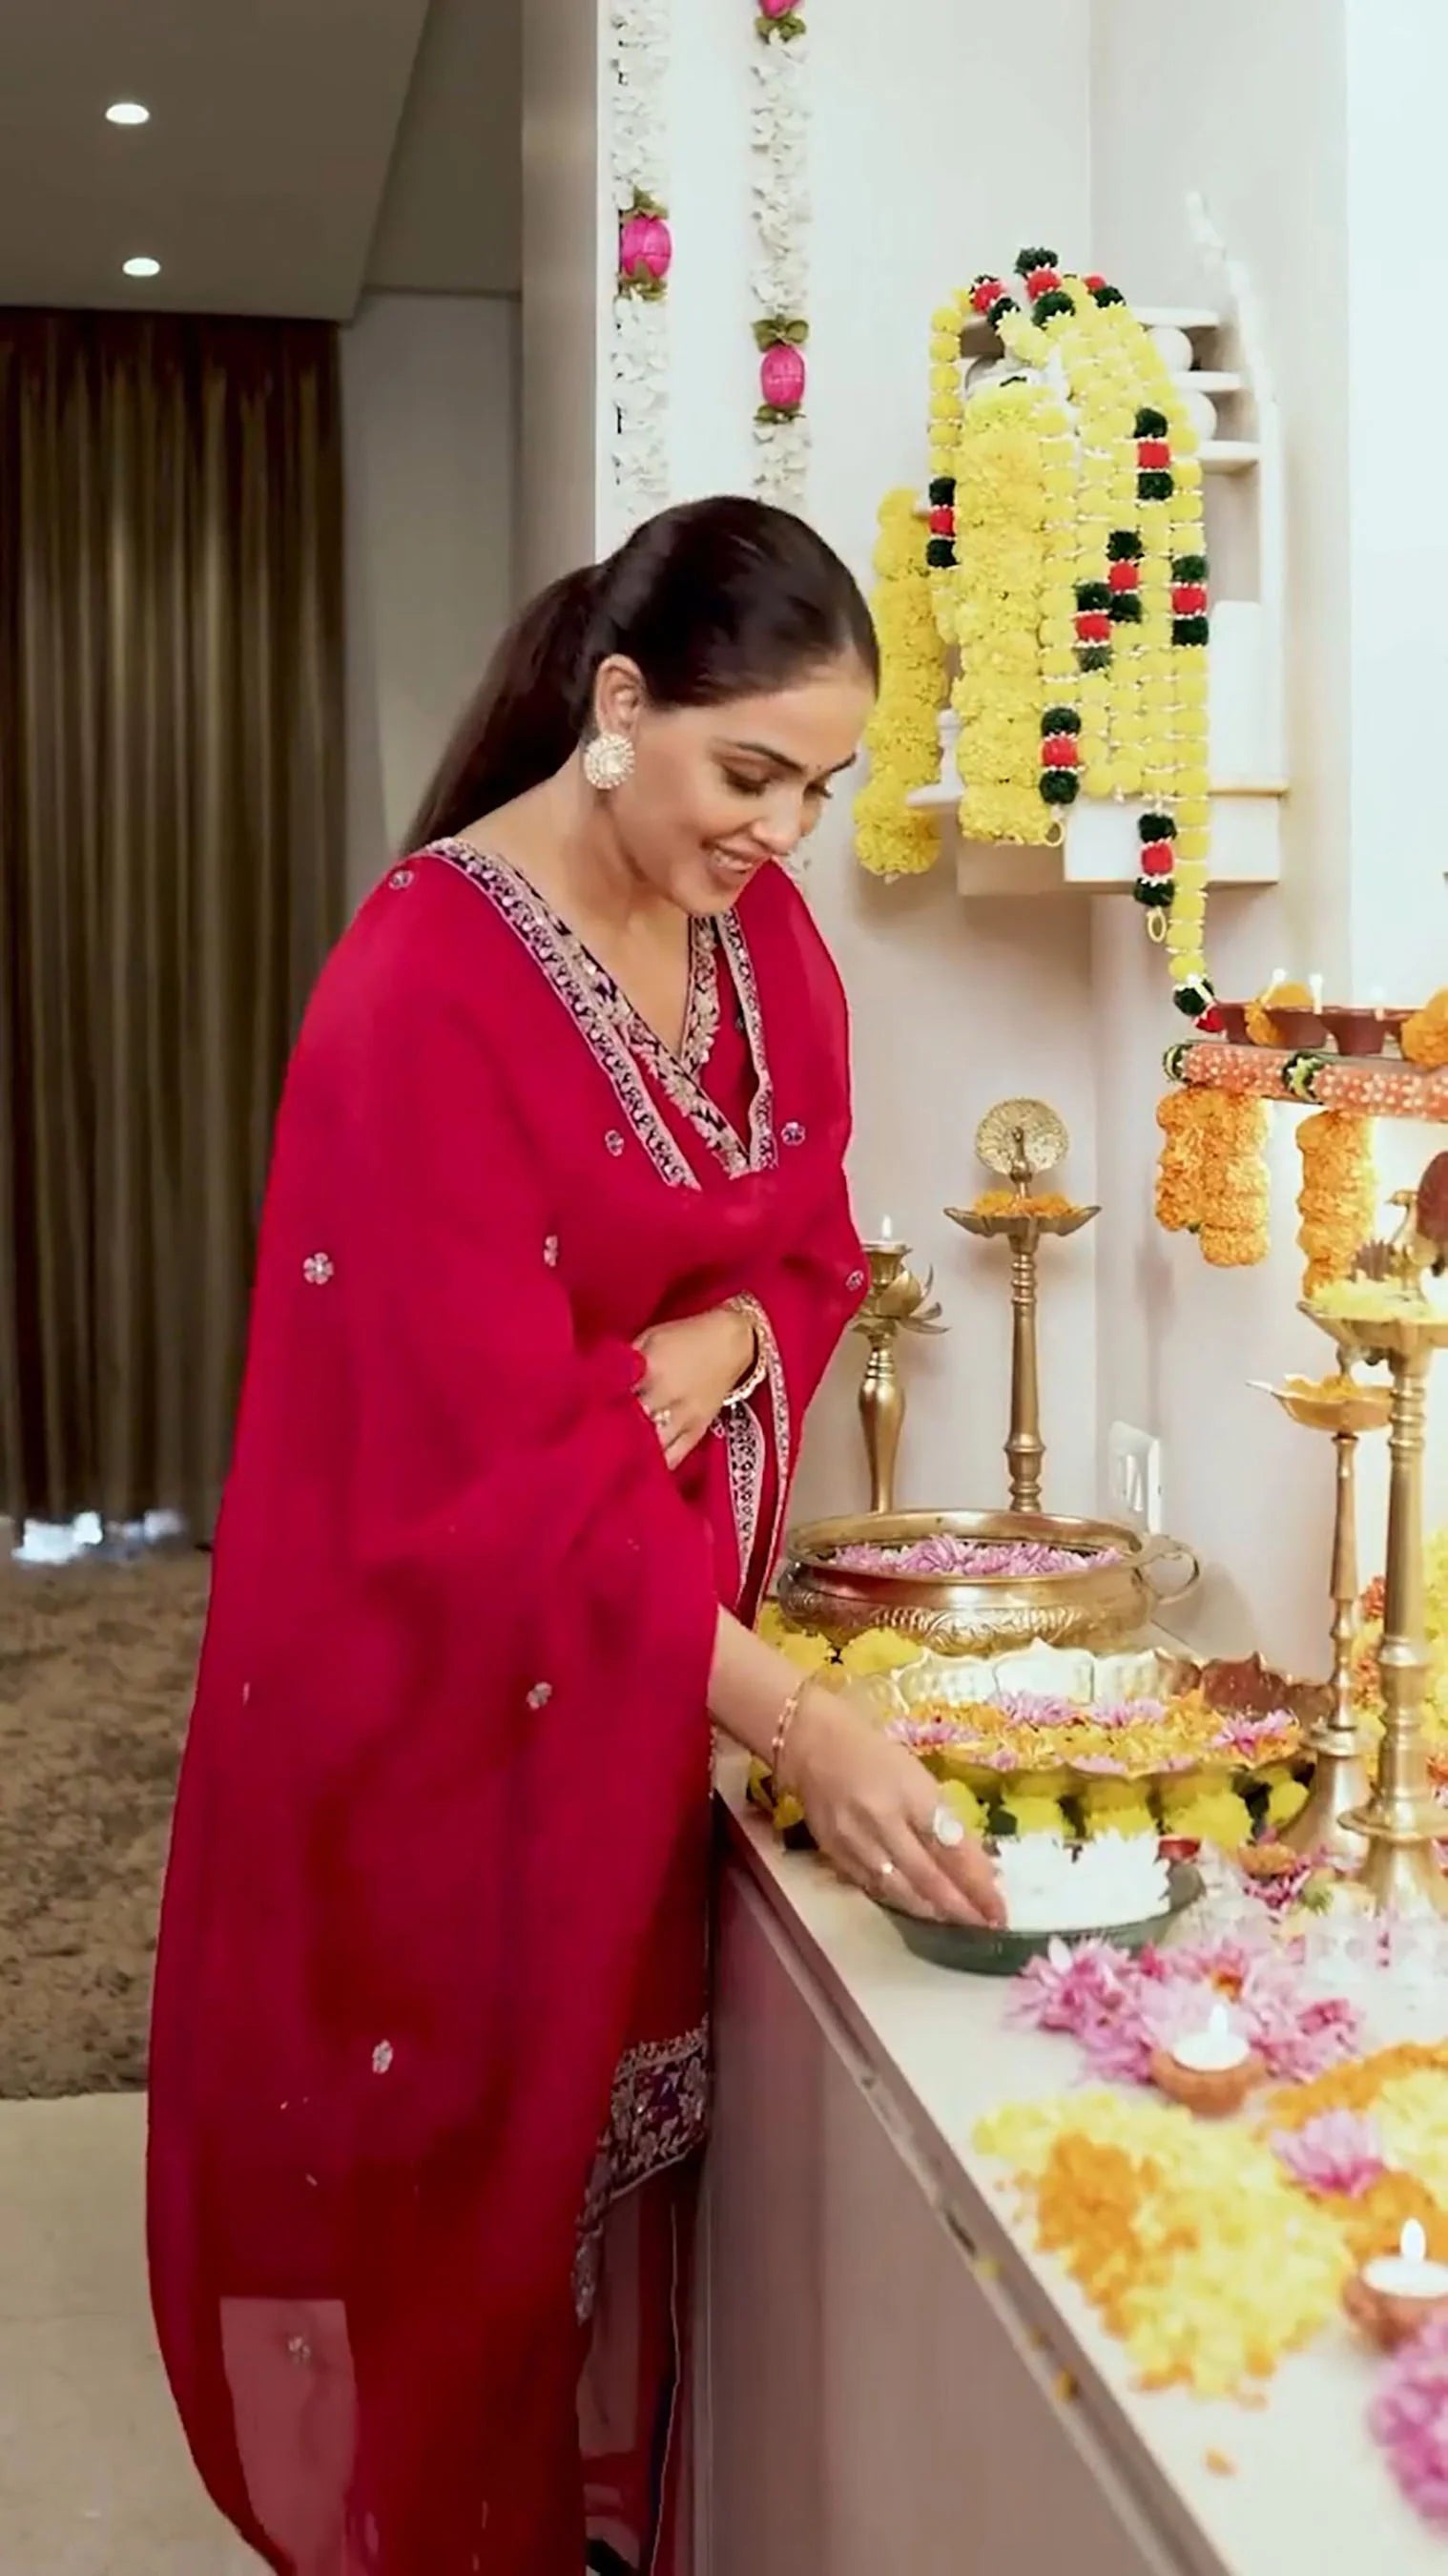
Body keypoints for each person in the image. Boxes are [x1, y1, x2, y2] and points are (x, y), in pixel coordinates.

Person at [148, 494, 1001, 2576]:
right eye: (752, 773)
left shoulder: (759, 943)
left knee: (602, 2213)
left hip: (633, 1672)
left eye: (824, 786)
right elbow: (488, 1469)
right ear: (618, 708)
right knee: (457, 2224)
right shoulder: (419, 987)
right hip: (442, 1698)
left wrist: (718, 1330)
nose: (787, 832)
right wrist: (800, 1720)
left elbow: (809, 1242)